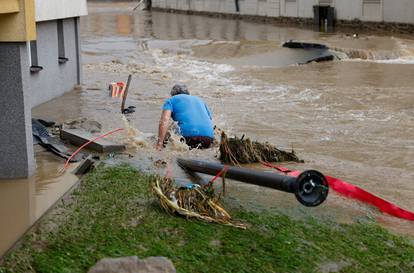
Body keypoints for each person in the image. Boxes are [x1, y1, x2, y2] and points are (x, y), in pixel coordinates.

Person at [156, 84, 214, 150]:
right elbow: (210, 121)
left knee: (171, 129)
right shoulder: (200, 100)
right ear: (188, 93)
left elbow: (164, 120)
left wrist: (159, 144)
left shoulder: (171, 100)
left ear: (173, 94)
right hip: (208, 139)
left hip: (187, 138)